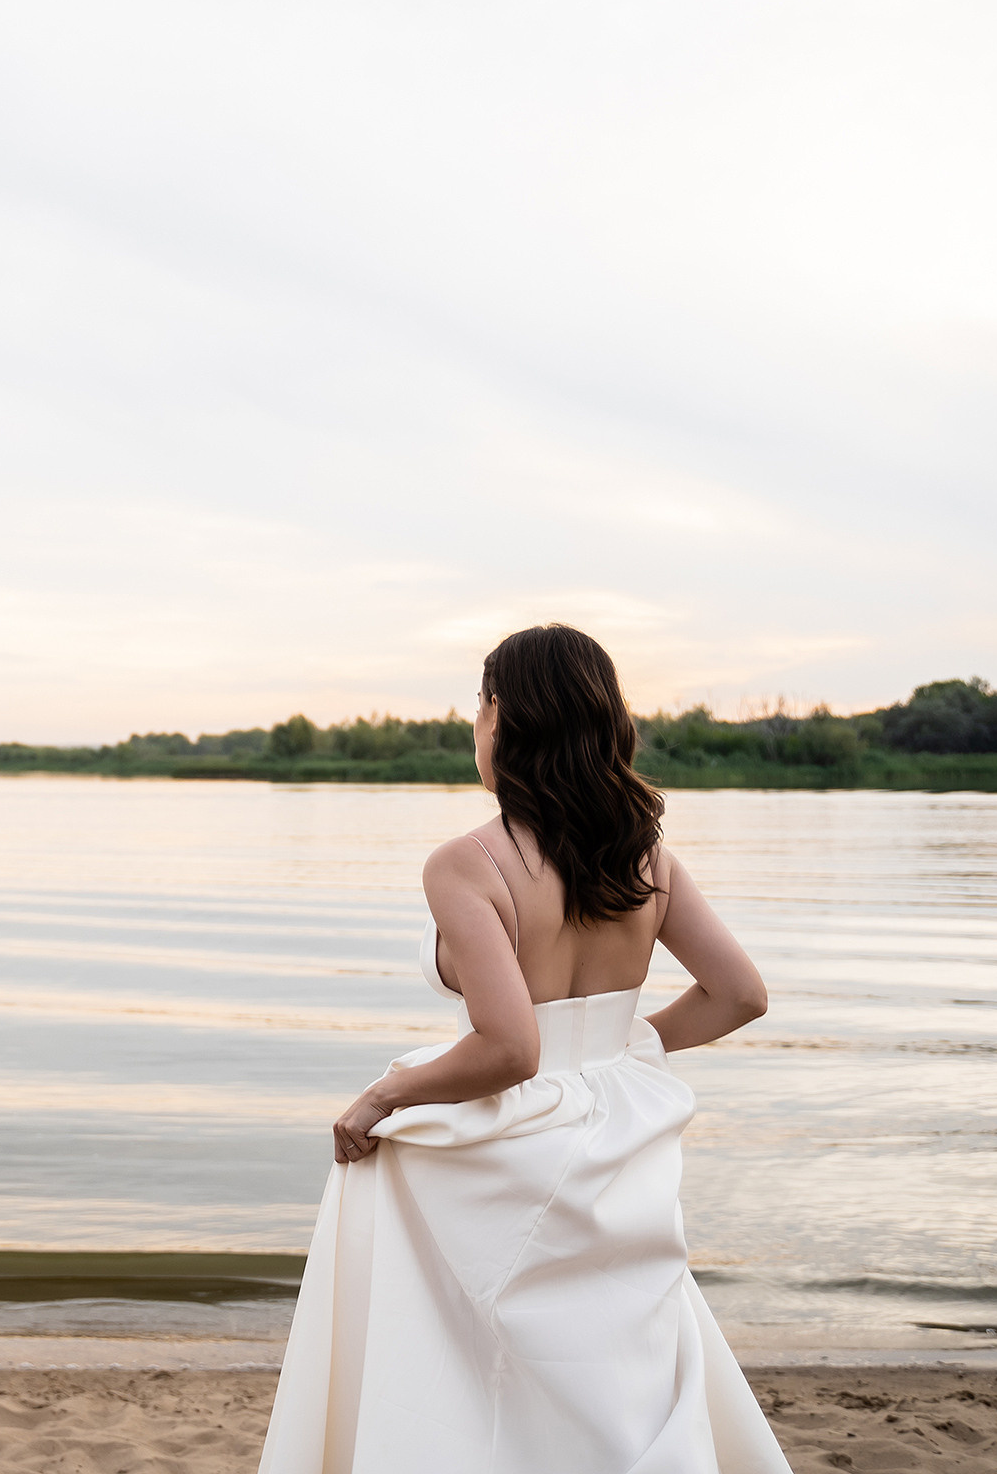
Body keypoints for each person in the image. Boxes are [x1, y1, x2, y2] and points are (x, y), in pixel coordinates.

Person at [258, 625, 792, 1474]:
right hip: (620, 1138)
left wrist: (388, 1093)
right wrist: (627, 1050)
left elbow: (510, 1049)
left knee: (431, 1306)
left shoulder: (468, 864)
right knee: (618, 1352)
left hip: (516, 1147)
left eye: (480, 704)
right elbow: (739, 995)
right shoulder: (648, 856)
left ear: (502, 716)